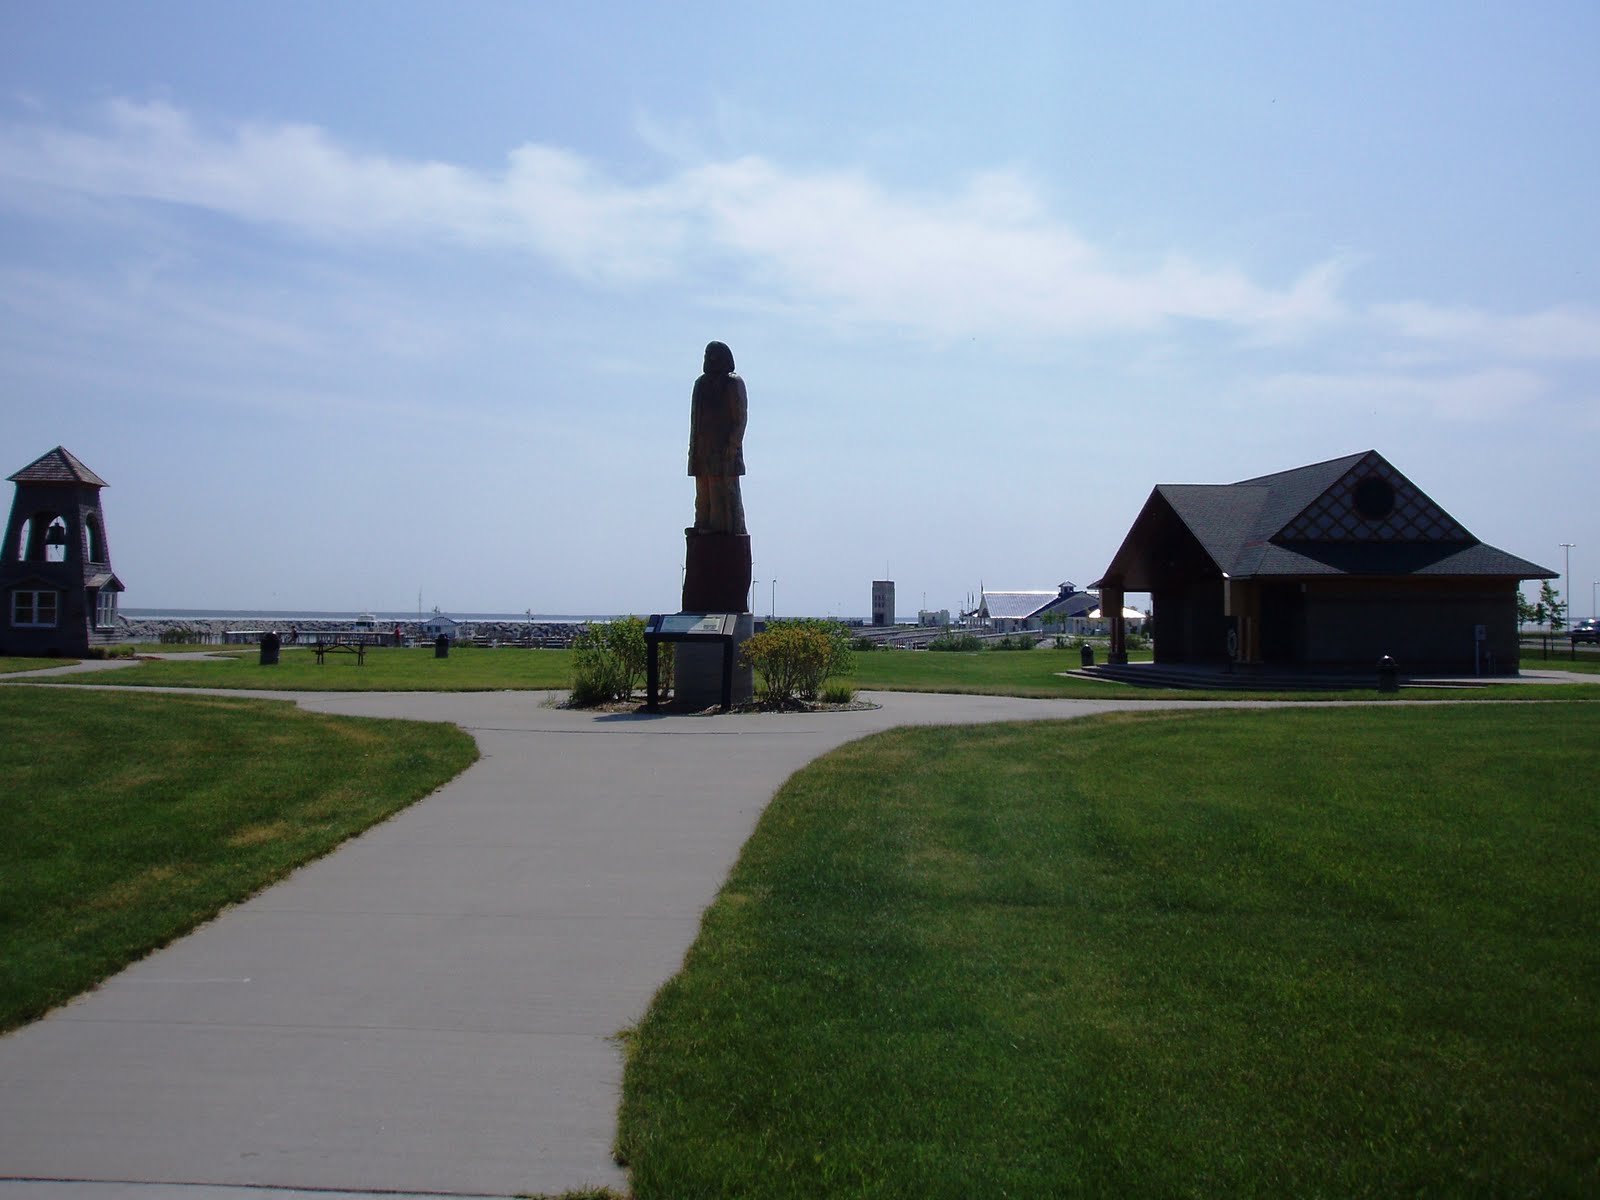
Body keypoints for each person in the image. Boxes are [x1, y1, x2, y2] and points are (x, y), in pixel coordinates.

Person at [687, 341, 747, 535]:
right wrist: (694, 450)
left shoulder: (732, 382)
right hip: (703, 449)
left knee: (720, 488)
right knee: (703, 489)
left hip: (723, 449)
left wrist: (733, 445)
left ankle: (720, 526)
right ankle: (702, 523)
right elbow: (696, 420)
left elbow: (739, 418)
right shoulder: (701, 384)